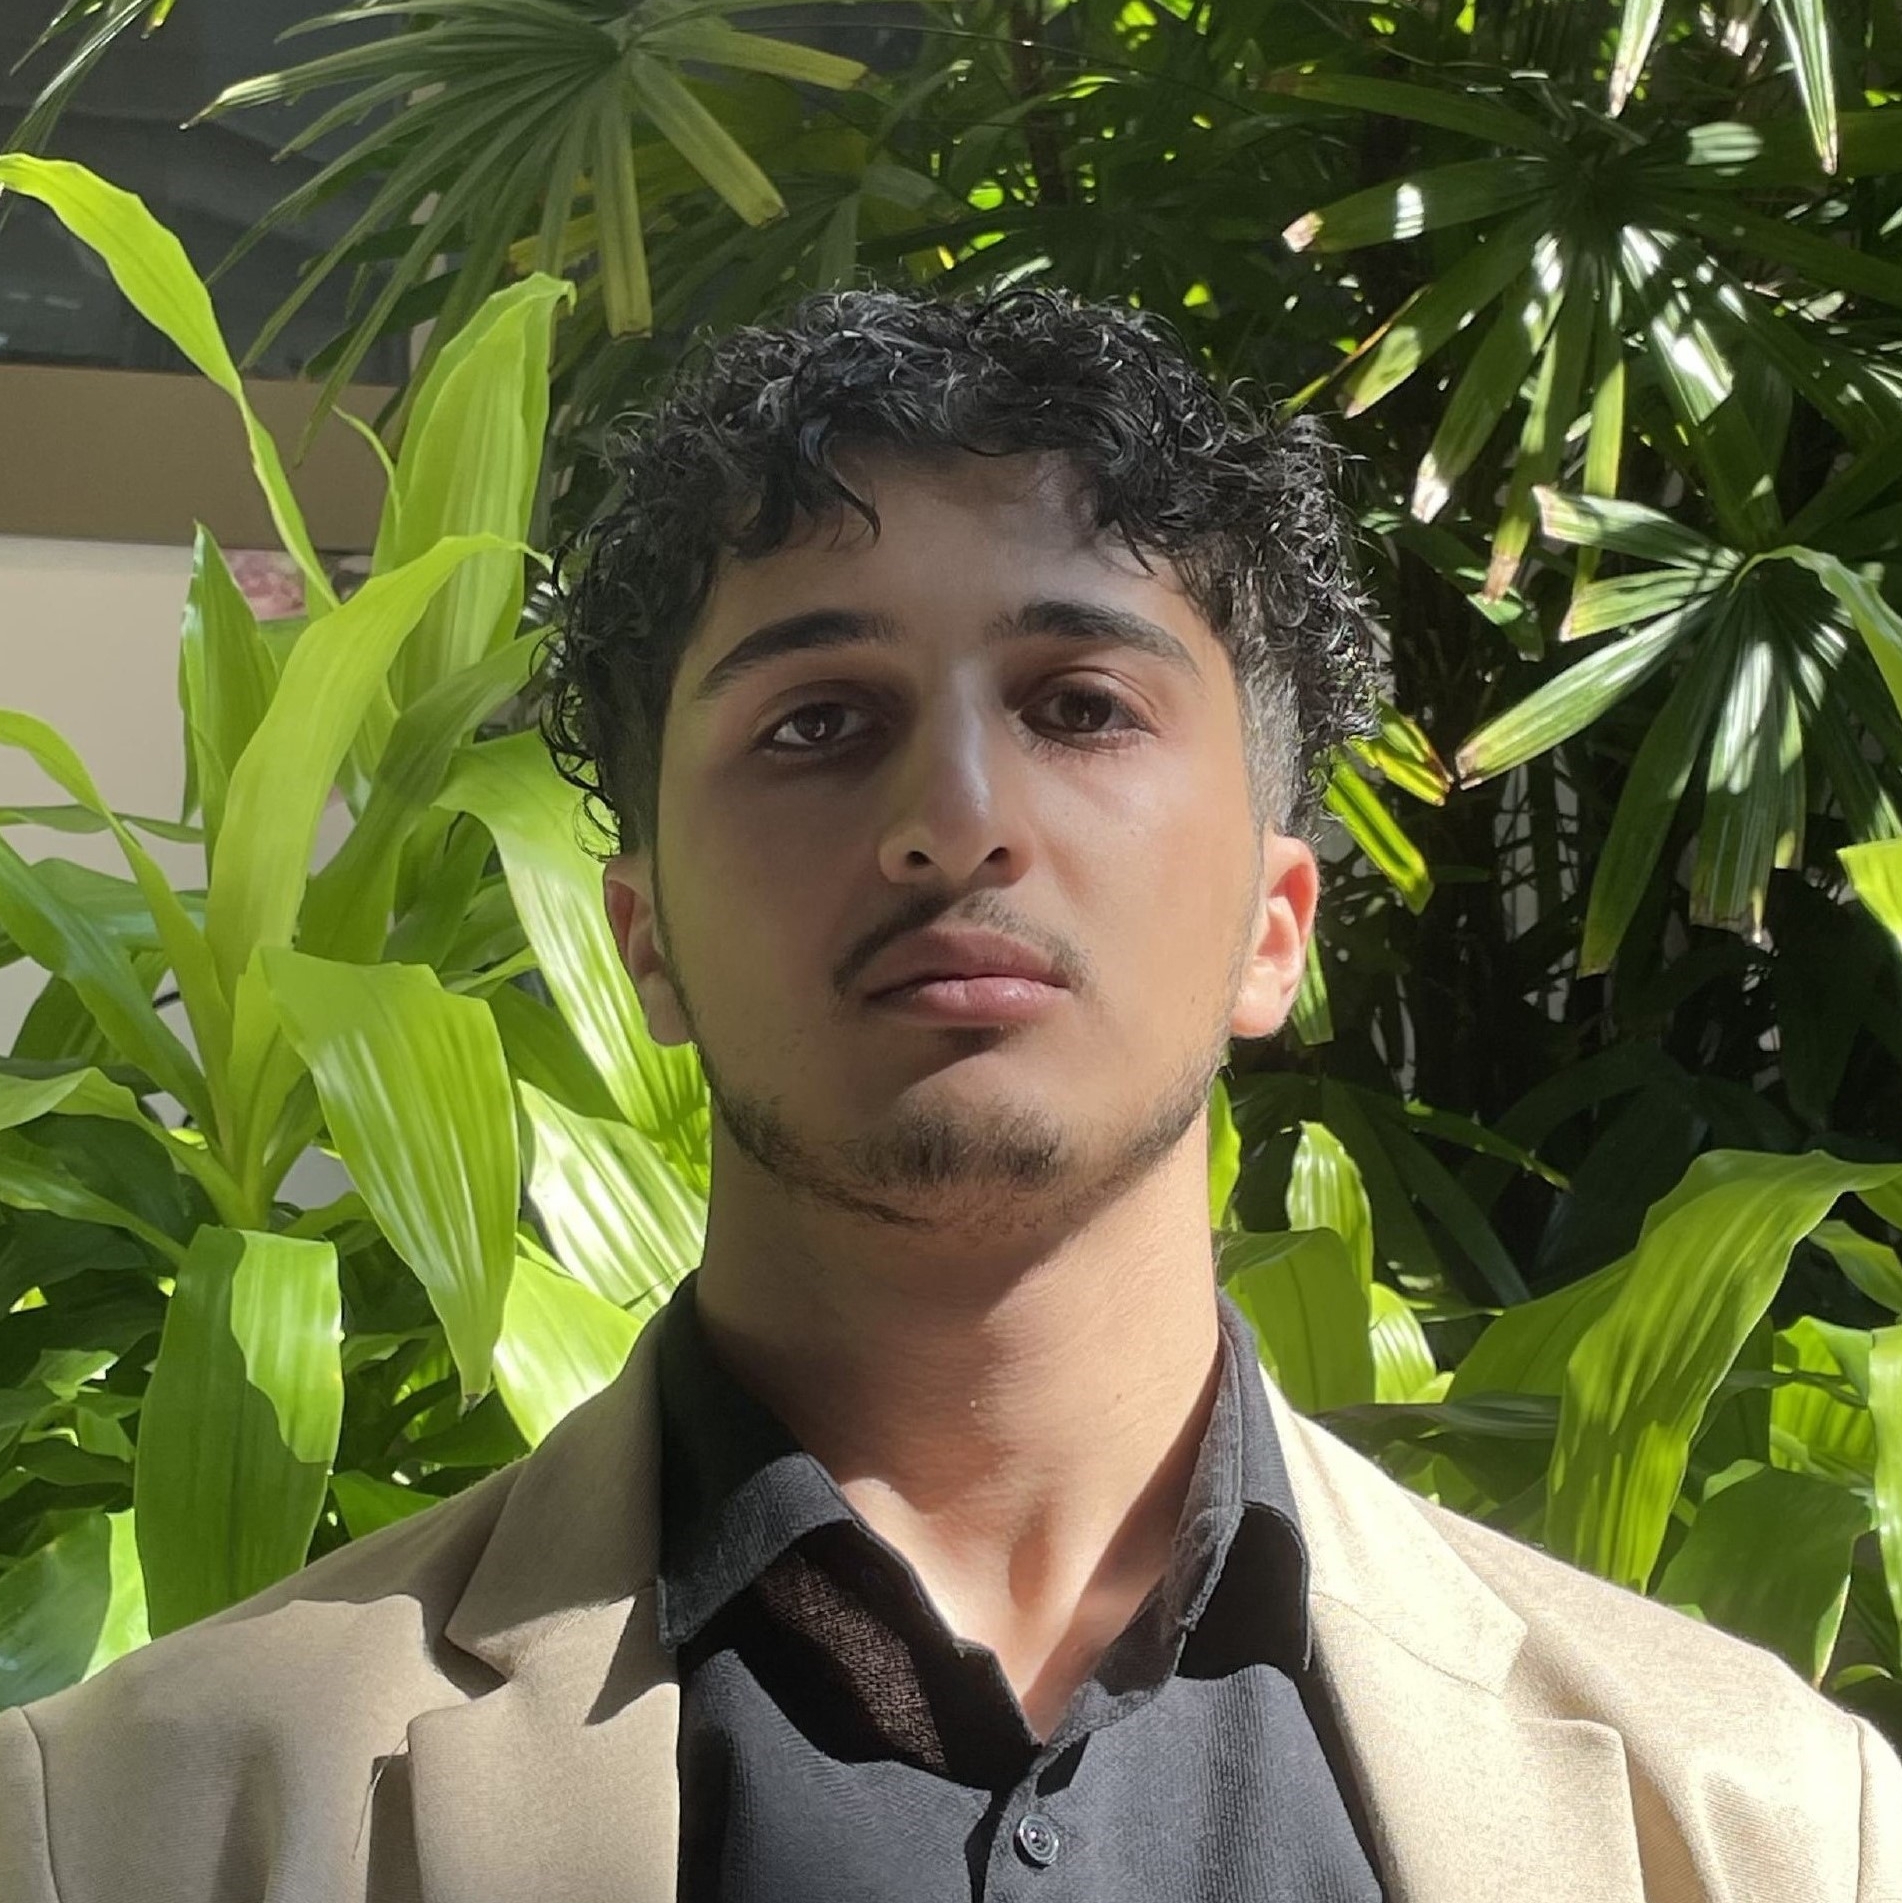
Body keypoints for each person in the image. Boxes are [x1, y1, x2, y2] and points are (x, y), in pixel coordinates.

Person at [2, 285, 1897, 1903]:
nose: (953, 821)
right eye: (817, 722)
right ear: (644, 941)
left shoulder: (1762, 1826)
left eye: (1080, 705)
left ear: (1271, 929)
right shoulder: (128, 1824)